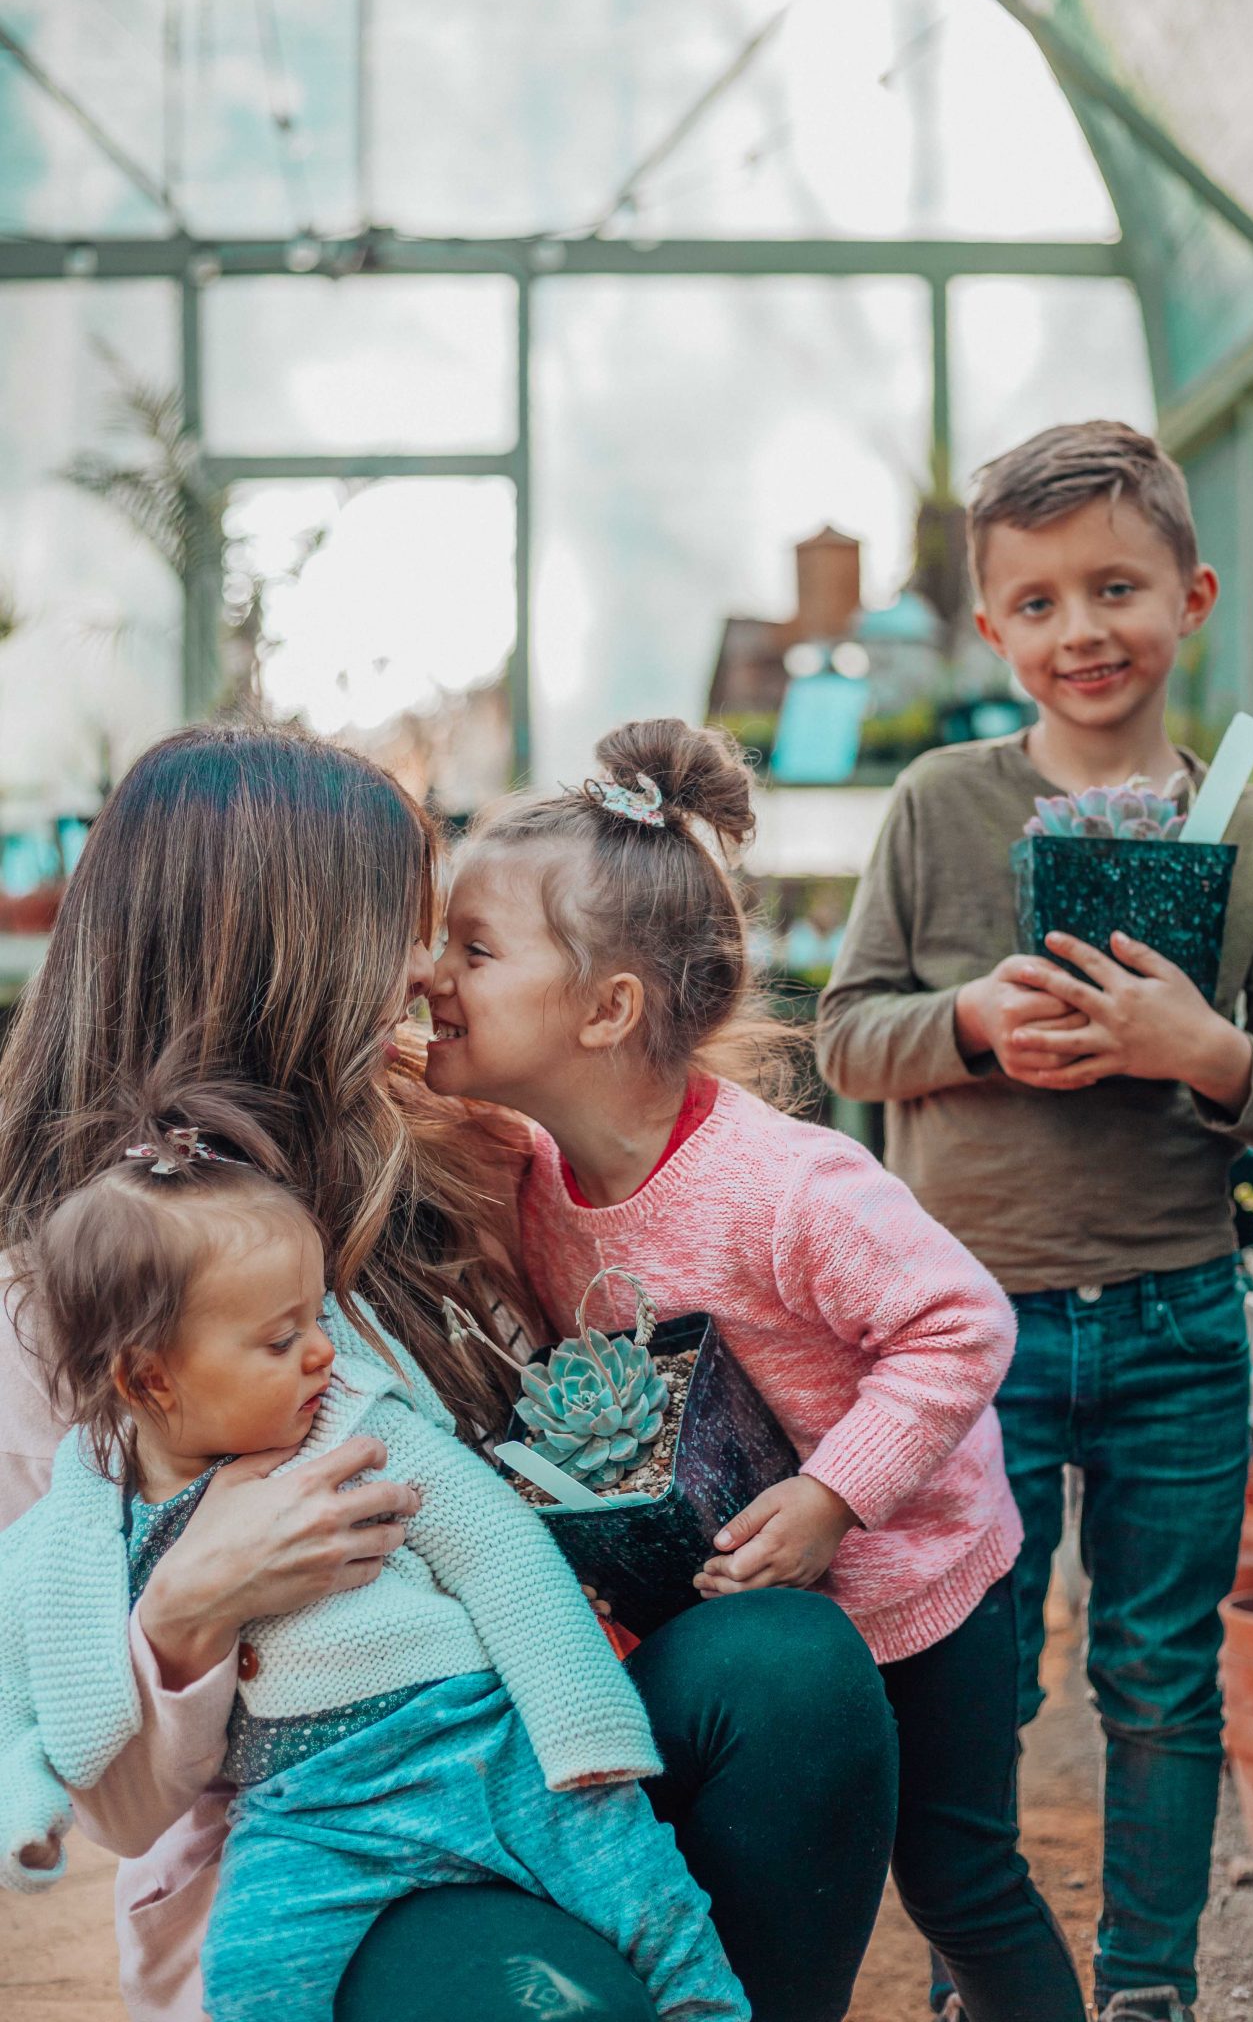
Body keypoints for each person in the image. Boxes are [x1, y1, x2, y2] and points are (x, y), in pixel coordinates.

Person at [0, 724, 897, 2022]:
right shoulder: (75, 1306)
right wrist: (192, 1609)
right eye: (399, 927)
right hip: (315, 1843)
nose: (426, 968)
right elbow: (119, 1801)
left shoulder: (454, 1156)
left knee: (789, 1668)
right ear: (276, 961)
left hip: (531, 1728)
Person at [421, 715, 1088, 2022]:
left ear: (607, 1010)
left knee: (959, 1879)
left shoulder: (785, 1185)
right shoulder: (528, 1160)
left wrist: (838, 1496)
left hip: (920, 1582)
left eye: (472, 950)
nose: (428, 975)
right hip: (749, 1603)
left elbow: (962, 1323)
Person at [817, 421, 1253, 2022]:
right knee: (973, 1675)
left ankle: (1147, 1991)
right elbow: (845, 1034)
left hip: (1178, 1314)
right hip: (960, 1331)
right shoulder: (938, 803)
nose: (1081, 630)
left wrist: (1203, 1057)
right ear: (992, 630)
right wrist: (970, 1024)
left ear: (1187, 597)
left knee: (1162, 1688)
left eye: (1115, 588)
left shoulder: (1249, 825)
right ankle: (994, 1969)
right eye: (1037, 602)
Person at [3, 1080, 747, 2022]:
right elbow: (26, 1668)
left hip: (480, 1747)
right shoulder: (90, 1509)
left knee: (646, 1900)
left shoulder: (358, 1424)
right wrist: (26, 1808)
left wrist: (582, 1730)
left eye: (316, 1318)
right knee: (253, 1978)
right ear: (148, 1378)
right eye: (280, 1341)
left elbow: (496, 1554)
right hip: (307, 1809)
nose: (322, 1352)